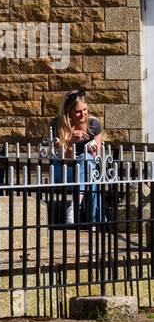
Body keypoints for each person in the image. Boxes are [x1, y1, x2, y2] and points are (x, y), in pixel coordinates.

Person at [49, 88, 105, 226]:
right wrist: (71, 143)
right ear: (69, 112)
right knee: (88, 172)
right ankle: (96, 221)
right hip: (63, 171)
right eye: (78, 112)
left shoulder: (93, 125)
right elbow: (64, 161)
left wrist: (92, 151)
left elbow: (97, 158)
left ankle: (74, 207)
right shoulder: (57, 125)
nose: (83, 115)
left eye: (85, 110)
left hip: (87, 171)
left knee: (86, 162)